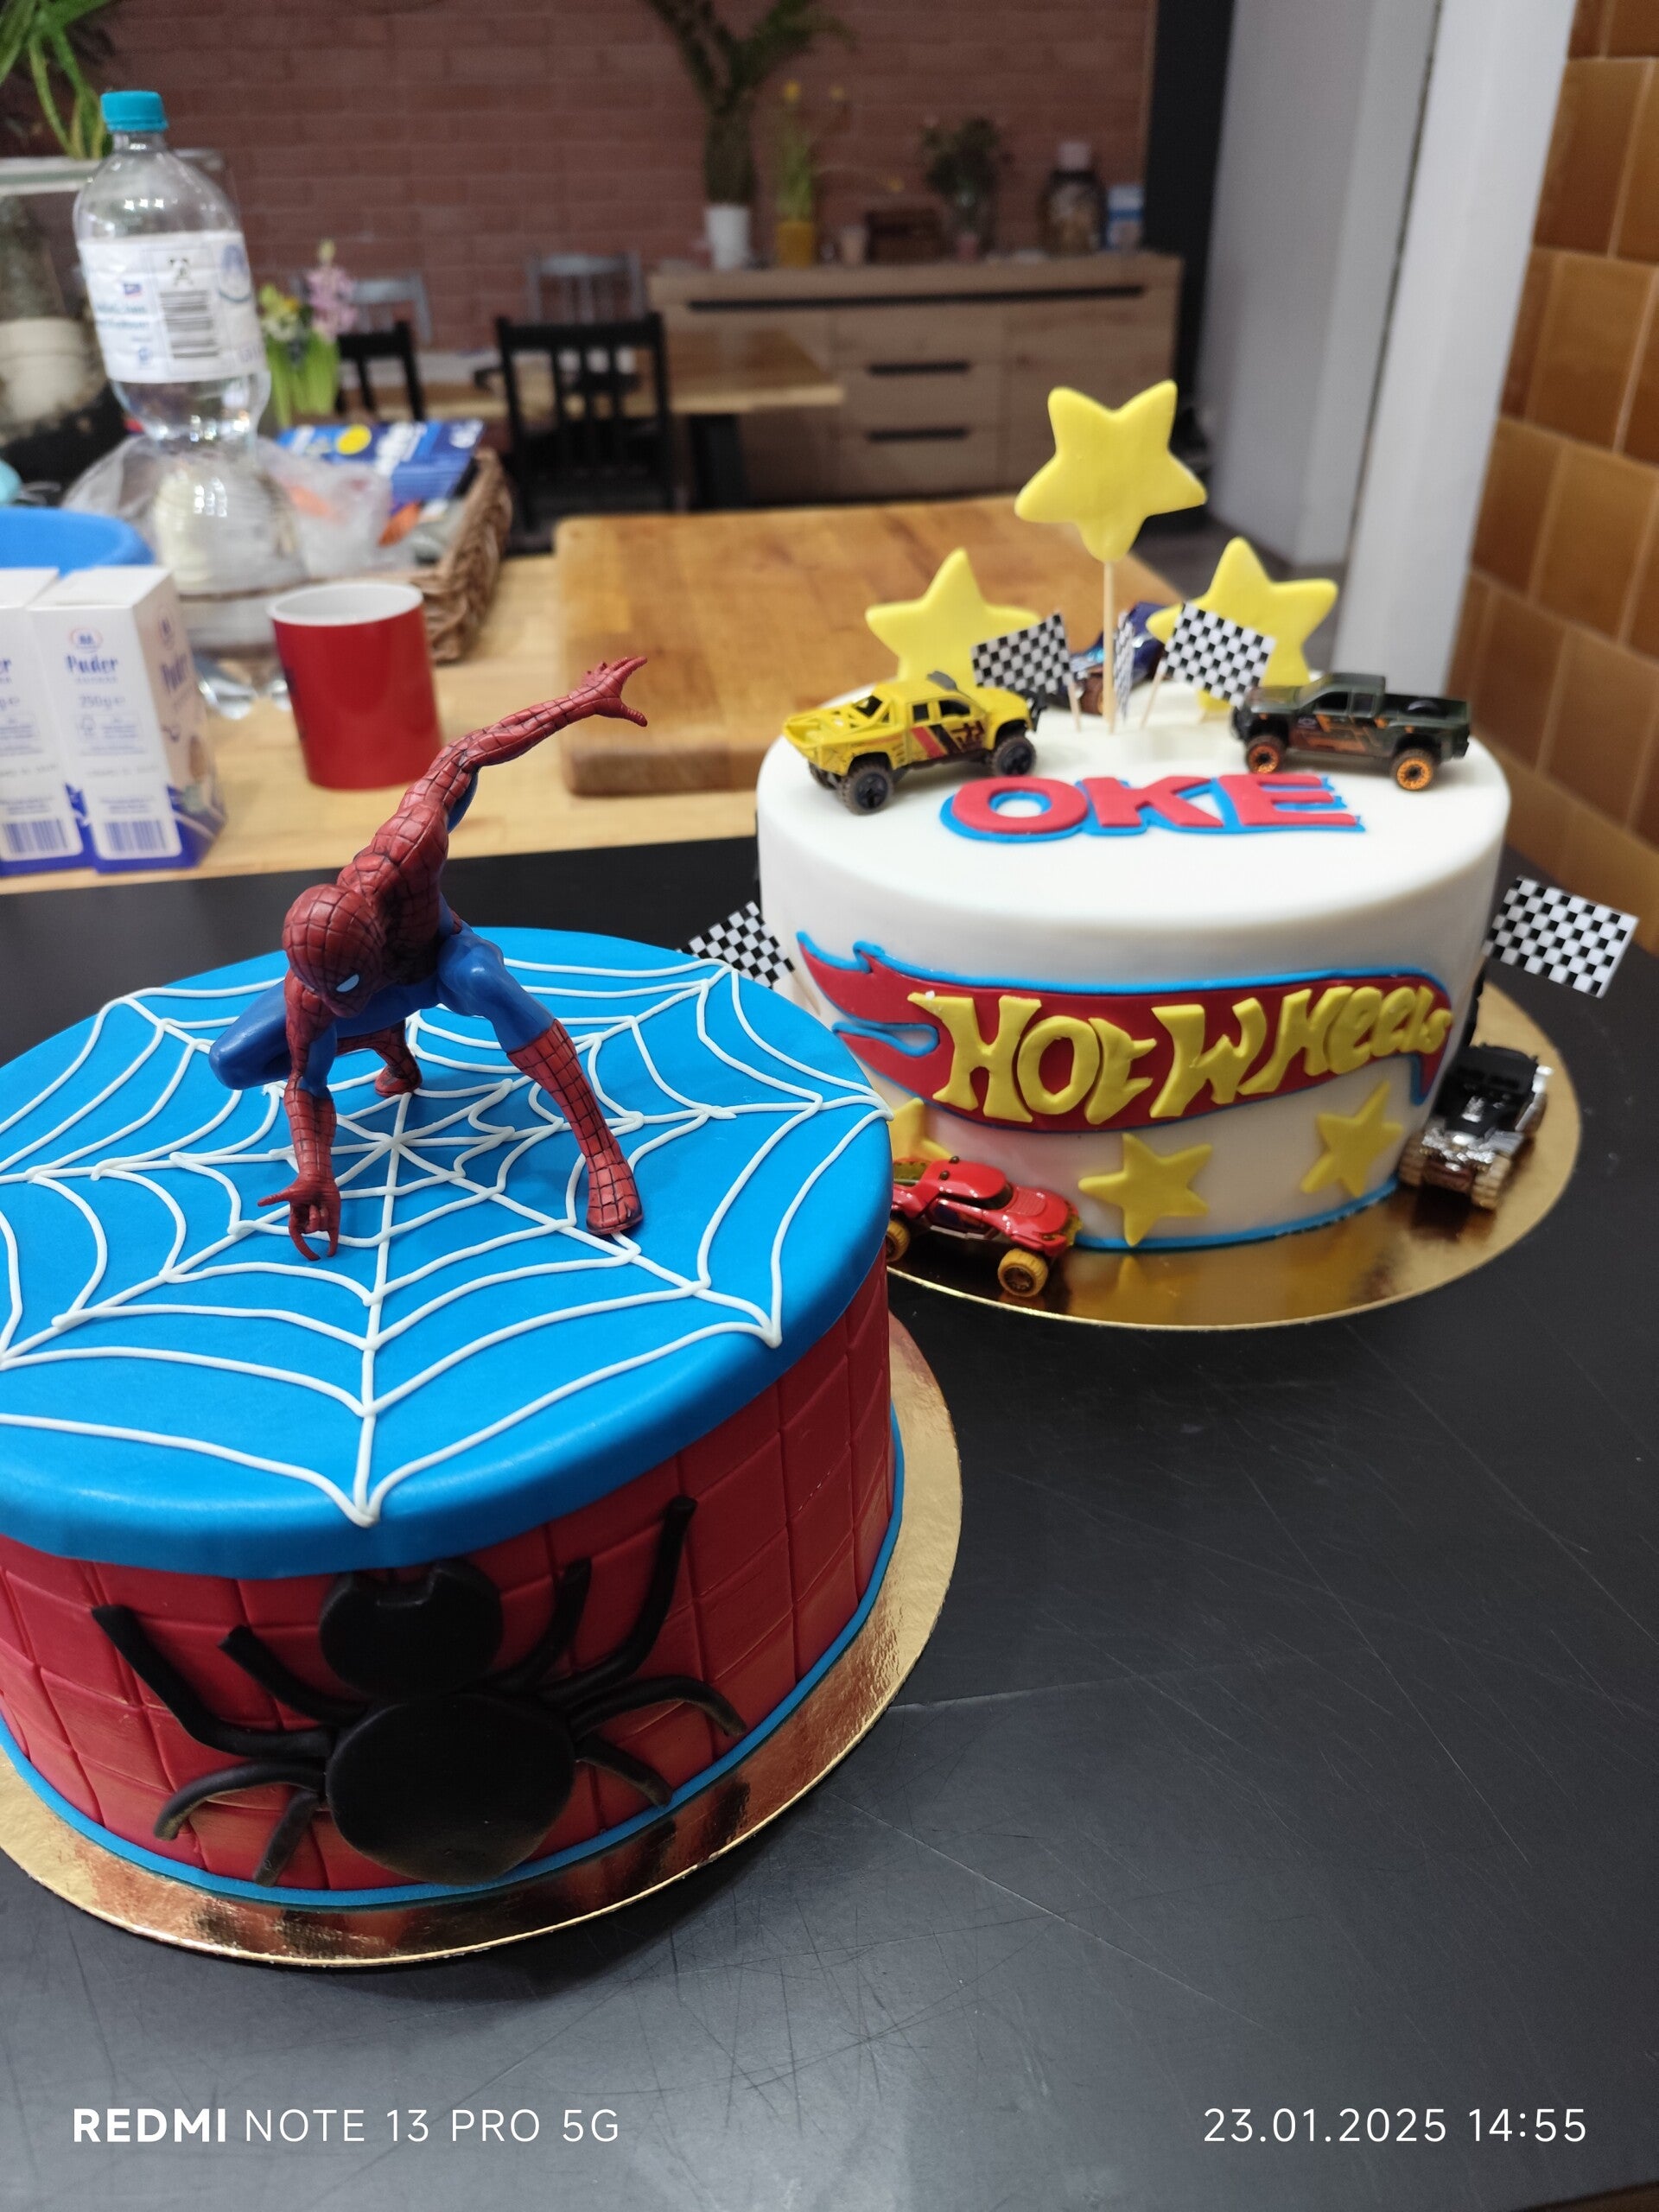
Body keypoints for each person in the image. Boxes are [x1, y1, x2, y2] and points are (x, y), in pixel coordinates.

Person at [210, 659, 647, 1257]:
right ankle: (388, 1043)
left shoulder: (405, 852)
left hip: (438, 964)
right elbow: (305, 1082)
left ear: (374, 933)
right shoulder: (314, 994)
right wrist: (316, 1171)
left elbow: (465, 753)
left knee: (486, 980)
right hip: (382, 995)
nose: (333, 1005)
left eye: (344, 990)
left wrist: (580, 702)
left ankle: (600, 1151)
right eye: (324, 991)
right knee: (232, 1062)